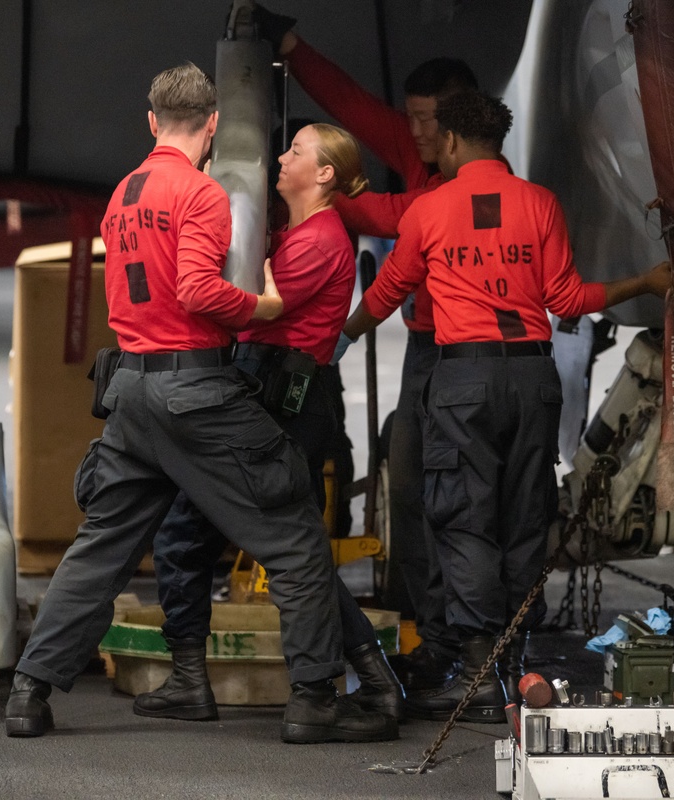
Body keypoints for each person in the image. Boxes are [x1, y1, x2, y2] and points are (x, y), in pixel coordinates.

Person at [3, 63, 396, 744]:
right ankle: (312, 703)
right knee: (297, 539)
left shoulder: (122, 195)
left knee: (100, 548)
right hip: (196, 390)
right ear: (212, 125)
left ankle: (27, 694)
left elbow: (133, 292)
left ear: (152, 122)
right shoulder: (204, 194)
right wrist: (261, 303)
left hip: (129, 393)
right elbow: (196, 290)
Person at [337, 91, 671, 722]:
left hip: (463, 379)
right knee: (523, 516)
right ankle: (514, 665)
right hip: (534, 381)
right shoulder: (538, 203)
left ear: (456, 143)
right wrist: (647, 282)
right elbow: (567, 299)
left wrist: (347, 333)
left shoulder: (432, 208)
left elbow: (388, 289)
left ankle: (475, 671)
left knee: (464, 517)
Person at [138, 122, 405, 723]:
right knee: (284, 547)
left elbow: (247, 301)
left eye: (295, 151)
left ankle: (351, 683)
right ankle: (368, 678)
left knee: (255, 543)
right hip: (267, 390)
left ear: (325, 174)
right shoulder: (301, 232)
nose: (281, 158)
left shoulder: (319, 241)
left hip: (280, 401)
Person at [252, 3, 479, 695]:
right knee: (409, 476)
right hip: (423, 344)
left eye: (425, 120)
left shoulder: (461, 188)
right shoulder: (418, 146)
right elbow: (349, 103)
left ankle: (459, 638)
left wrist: (313, 193)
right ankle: (423, 625)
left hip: (466, 354)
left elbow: (383, 215)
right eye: (409, 118)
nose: (410, 132)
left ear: (462, 119)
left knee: (452, 493)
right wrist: (291, 46)